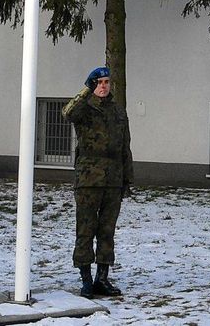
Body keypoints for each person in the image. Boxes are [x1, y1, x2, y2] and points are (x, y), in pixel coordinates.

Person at [62, 65, 133, 298]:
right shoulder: (84, 108)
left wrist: (127, 180)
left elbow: (125, 148)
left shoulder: (118, 112)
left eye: (106, 82)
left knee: (106, 231)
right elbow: (68, 113)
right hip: (89, 179)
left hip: (113, 179)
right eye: (98, 83)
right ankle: (85, 279)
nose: (103, 87)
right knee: (85, 229)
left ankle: (102, 278)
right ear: (92, 85)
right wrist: (85, 90)